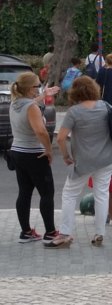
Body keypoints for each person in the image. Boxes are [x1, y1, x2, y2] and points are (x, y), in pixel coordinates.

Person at [49, 77, 112, 248]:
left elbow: (60, 137)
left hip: (83, 160)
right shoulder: (105, 106)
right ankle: (99, 232)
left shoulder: (74, 112)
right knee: (102, 194)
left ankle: (65, 233)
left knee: (69, 194)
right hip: (106, 158)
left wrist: (66, 156)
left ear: (75, 92)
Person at [9, 72, 60, 244]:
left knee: (24, 191)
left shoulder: (15, 102)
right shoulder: (32, 108)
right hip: (34, 153)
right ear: (30, 88)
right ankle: (51, 232)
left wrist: (44, 95)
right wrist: (48, 150)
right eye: (38, 86)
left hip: (17, 151)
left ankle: (26, 232)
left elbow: (30, 103)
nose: (39, 88)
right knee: (47, 193)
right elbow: (40, 131)